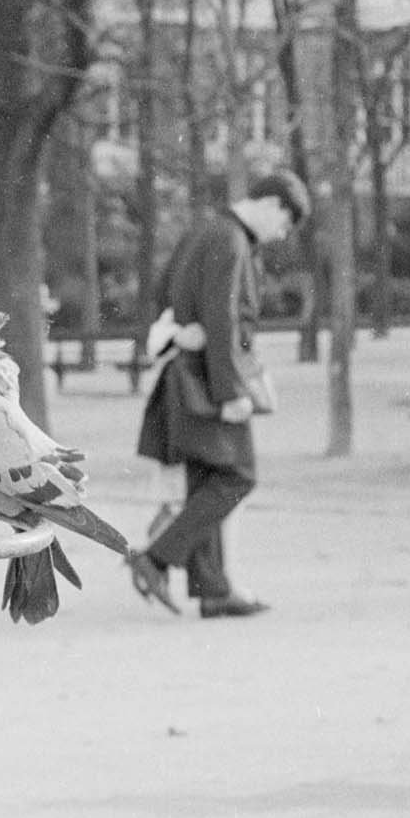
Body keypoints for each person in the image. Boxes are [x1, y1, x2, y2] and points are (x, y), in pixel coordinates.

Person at [129, 170, 310, 619]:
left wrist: (174, 336)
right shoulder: (231, 241)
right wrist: (232, 392)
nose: (281, 234)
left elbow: (161, 294)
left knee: (208, 482)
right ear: (271, 204)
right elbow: (224, 319)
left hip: (186, 377)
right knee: (237, 476)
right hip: (208, 384)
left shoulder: (204, 231)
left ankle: (213, 590)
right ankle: (153, 559)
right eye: (285, 223)